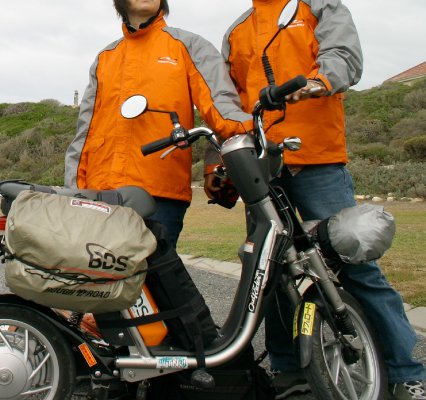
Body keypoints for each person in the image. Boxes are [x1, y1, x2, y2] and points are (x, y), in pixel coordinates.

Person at [204, 0, 426, 398]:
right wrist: (216, 162)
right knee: (268, 271)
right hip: (261, 167)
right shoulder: (237, 31)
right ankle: (289, 371)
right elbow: (226, 103)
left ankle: (405, 371)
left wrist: (318, 82)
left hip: (317, 159)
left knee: (354, 263)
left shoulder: (318, 6)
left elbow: (344, 55)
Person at [64, 0, 252, 247]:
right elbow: (84, 134)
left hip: (160, 195)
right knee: (96, 271)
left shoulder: (190, 46)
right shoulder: (104, 59)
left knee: (156, 271)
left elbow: (222, 109)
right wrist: (73, 192)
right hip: (99, 195)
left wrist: (254, 130)